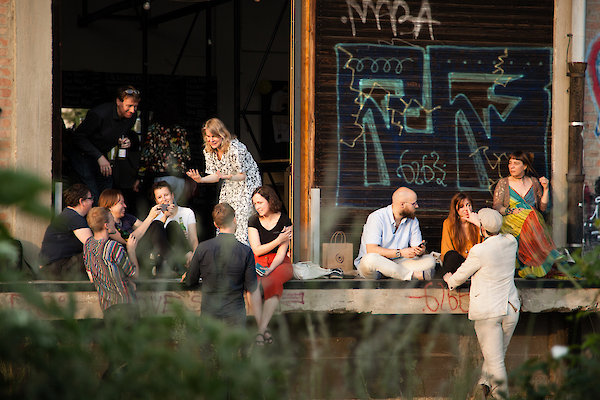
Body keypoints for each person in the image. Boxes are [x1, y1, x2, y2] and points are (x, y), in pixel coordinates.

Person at [443, 208, 520, 399]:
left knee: (495, 362)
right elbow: (497, 231)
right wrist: (483, 224)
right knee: (497, 356)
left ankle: (501, 396)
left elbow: (460, 276)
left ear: (482, 228)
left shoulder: (479, 250)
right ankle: (483, 386)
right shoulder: (511, 242)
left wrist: (449, 279)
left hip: (489, 311)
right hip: (511, 307)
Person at [184, 203, 263, 332]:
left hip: (209, 313)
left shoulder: (203, 248)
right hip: (235, 314)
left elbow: (190, 281)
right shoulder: (245, 251)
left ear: (215, 224)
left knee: (209, 344)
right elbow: (252, 287)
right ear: (234, 220)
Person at [186, 118, 261, 244]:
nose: (211, 140)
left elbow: (242, 175)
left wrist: (228, 177)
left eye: (214, 136)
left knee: (241, 217)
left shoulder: (236, 148)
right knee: (224, 214)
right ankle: (225, 248)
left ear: (222, 134)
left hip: (247, 183)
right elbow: (216, 176)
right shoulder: (208, 150)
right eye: (208, 136)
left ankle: (242, 248)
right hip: (230, 182)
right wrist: (201, 180)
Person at [493, 151, 563, 278]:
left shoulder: (534, 182)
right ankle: (548, 254)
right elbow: (497, 206)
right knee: (531, 216)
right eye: (510, 163)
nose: (511, 166)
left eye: (516, 163)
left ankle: (536, 263)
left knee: (532, 215)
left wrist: (546, 189)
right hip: (512, 222)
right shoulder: (503, 183)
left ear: (525, 166)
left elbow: (542, 207)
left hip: (532, 222)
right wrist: (510, 211)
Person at [71, 86, 141, 202]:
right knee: (92, 192)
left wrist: (126, 140)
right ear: (118, 101)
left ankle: (106, 212)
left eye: (135, 106)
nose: (132, 110)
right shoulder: (99, 114)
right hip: (82, 154)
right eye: (129, 106)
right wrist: (99, 156)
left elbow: (125, 133)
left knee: (107, 189)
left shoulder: (131, 117)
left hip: (102, 155)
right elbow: (78, 137)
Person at [354, 187, 436, 280]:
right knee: (370, 259)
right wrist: (400, 253)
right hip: (376, 264)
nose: (417, 206)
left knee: (430, 260)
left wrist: (420, 251)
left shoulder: (413, 220)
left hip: (398, 263)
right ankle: (412, 275)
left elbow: (415, 249)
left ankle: (391, 273)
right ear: (402, 204)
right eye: (414, 203)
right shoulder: (377, 217)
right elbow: (371, 250)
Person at [247, 186, 293, 344]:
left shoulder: (285, 220)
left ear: (270, 201)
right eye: (255, 203)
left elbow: (281, 253)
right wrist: (278, 240)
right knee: (252, 285)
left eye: (260, 202)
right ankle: (263, 329)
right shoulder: (253, 221)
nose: (257, 207)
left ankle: (260, 332)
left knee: (273, 282)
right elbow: (257, 250)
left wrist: (270, 269)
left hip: (279, 262)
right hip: (258, 260)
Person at [83, 207, 139, 320]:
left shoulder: (88, 245)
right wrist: (131, 251)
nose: (115, 223)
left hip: (107, 307)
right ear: (106, 226)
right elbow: (134, 274)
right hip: (125, 305)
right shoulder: (113, 247)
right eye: (112, 220)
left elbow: (91, 277)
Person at [136, 102, 191, 203]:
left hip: (162, 176)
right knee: (176, 208)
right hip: (180, 178)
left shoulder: (154, 130)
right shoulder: (180, 130)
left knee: (164, 208)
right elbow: (187, 155)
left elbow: (147, 155)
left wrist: (140, 176)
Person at [39, 184, 93, 280]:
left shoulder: (68, 215)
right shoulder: (74, 218)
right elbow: (93, 245)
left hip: (49, 270)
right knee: (91, 253)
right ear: (81, 201)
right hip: (56, 270)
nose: (92, 201)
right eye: (90, 198)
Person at [151, 180, 199, 271]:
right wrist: (165, 215)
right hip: (165, 259)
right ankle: (175, 266)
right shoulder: (155, 217)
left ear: (172, 195)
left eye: (166, 195)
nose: (164, 199)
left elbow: (194, 239)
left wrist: (195, 257)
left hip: (185, 254)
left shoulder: (187, 212)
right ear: (156, 201)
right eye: (159, 197)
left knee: (173, 225)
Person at [439, 192, 483, 277]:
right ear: (456, 209)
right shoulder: (448, 223)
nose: (466, 209)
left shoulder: (478, 221)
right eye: (462, 206)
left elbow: (488, 242)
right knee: (451, 256)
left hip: (475, 263)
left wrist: (477, 223)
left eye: (468, 205)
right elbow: (446, 250)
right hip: (459, 263)